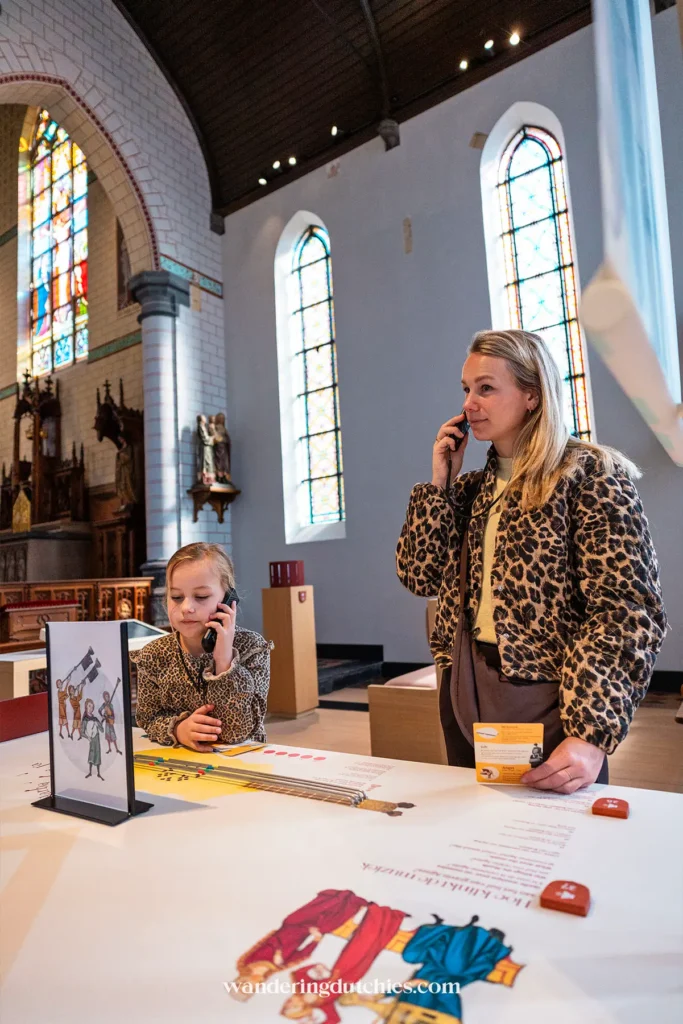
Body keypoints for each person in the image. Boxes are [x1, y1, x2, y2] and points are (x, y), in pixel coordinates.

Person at [397, 329, 667, 794]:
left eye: (486, 388)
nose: (468, 405)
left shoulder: (591, 477)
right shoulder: (468, 490)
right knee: (475, 836)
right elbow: (418, 574)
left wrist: (590, 733)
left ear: (531, 396)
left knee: (551, 848)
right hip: (464, 686)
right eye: (466, 389)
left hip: (556, 700)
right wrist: (439, 485)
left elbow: (627, 610)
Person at [131, 542, 271, 751]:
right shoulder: (154, 655)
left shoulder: (252, 648)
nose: (186, 608)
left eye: (201, 597)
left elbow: (238, 732)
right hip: (181, 764)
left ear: (229, 600)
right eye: (177, 597)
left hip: (242, 764)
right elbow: (148, 718)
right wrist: (178, 729)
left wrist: (224, 661)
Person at [81, 698, 104, 780]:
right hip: (91, 738)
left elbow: (101, 730)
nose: (91, 708)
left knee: (97, 754)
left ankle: (98, 773)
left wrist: (100, 723)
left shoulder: (95, 719)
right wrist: (88, 737)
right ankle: (90, 772)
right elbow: (82, 732)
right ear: (86, 707)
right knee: (91, 755)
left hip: (96, 738)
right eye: (89, 706)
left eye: (92, 706)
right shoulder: (85, 719)